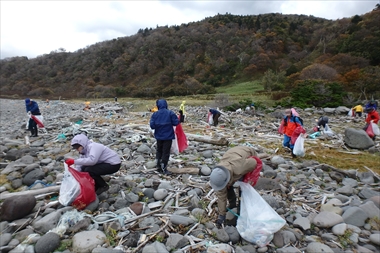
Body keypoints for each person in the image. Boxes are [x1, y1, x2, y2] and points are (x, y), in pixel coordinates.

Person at [209, 146, 261, 228]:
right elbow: (221, 196)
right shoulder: (219, 174)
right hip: (232, 156)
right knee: (226, 187)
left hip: (248, 155)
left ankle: (241, 210)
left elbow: (254, 162)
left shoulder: (239, 168)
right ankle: (232, 205)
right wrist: (221, 216)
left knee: (243, 187)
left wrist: (247, 179)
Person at [150, 99, 179, 175]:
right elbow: (176, 123)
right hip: (168, 136)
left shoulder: (155, 114)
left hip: (159, 136)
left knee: (159, 150)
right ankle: (164, 168)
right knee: (166, 152)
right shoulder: (170, 113)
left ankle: (158, 166)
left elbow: (152, 126)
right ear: (166, 105)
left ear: (158, 105)